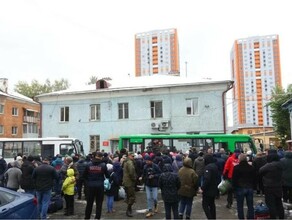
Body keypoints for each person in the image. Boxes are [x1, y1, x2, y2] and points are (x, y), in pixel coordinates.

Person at [259, 149, 285, 219]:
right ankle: (281, 217)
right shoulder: (280, 164)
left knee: (271, 204)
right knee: (279, 203)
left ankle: (273, 217)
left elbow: (260, 170)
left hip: (269, 187)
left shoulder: (269, 165)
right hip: (278, 186)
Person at [83, 151, 108, 219]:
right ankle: (97, 217)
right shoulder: (103, 165)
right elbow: (107, 175)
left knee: (89, 203)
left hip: (90, 186)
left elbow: (84, 176)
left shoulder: (88, 165)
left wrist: (87, 183)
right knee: (99, 203)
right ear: (101, 157)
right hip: (100, 186)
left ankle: (87, 217)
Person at [232, 153, 256, 219]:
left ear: (239, 159)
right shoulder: (251, 167)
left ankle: (241, 218)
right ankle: (251, 217)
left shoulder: (236, 168)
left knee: (240, 205)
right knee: (250, 205)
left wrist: (234, 188)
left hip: (240, 188)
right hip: (250, 187)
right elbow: (254, 178)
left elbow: (234, 179)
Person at [201, 154, 219, 219]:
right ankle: (213, 217)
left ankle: (210, 217)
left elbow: (207, 179)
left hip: (208, 190)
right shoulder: (215, 166)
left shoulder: (208, 168)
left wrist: (202, 188)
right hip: (214, 188)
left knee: (204, 205)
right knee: (212, 204)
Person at [122, 151, 137, 217]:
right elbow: (131, 172)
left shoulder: (125, 162)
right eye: (132, 156)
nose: (133, 157)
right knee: (132, 197)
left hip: (125, 181)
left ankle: (129, 209)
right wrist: (134, 178)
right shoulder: (130, 163)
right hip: (129, 182)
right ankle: (128, 210)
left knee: (128, 196)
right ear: (129, 156)